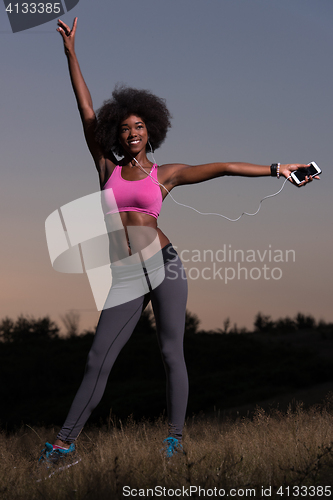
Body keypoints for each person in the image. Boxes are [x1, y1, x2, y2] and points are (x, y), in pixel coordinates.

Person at [39, 17, 318, 467]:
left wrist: (278, 168)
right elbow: (85, 108)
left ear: (151, 131)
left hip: (164, 264)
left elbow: (222, 166)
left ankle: (174, 441)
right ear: (117, 133)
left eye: (139, 127)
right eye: (125, 128)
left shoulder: (164, 175)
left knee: (171, 352)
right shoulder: (106, 167)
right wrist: (71, 53)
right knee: (97, 359)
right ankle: (62, 446)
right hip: (128, 273)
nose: (132, 133)